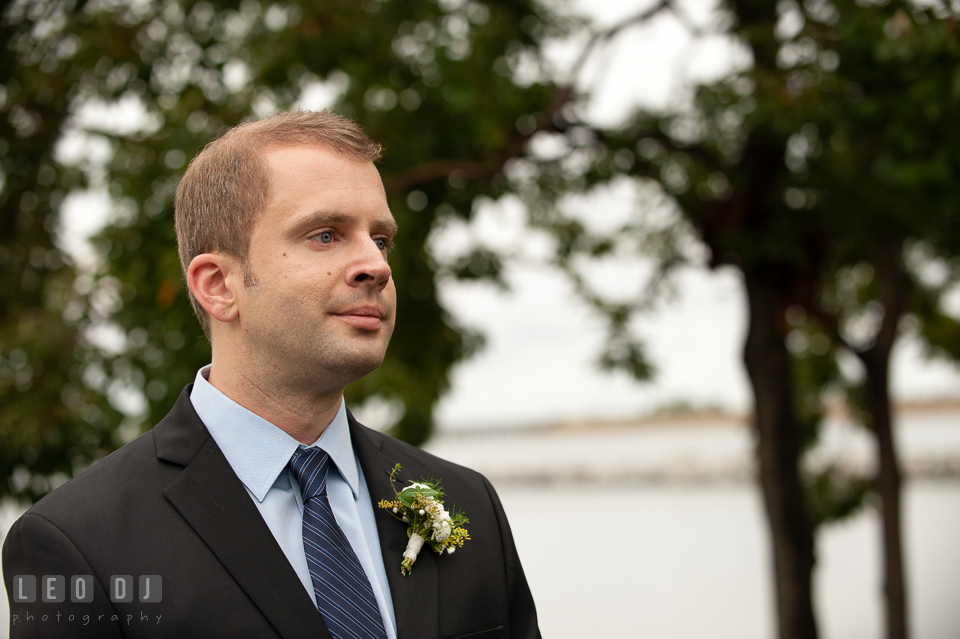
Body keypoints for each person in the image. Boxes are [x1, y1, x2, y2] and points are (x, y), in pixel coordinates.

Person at [2, 110, 540, 639]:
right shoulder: (80, 542)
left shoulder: (470, 505)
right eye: (326, 235)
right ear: (218, 285)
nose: (376, 267)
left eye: (380, 239)